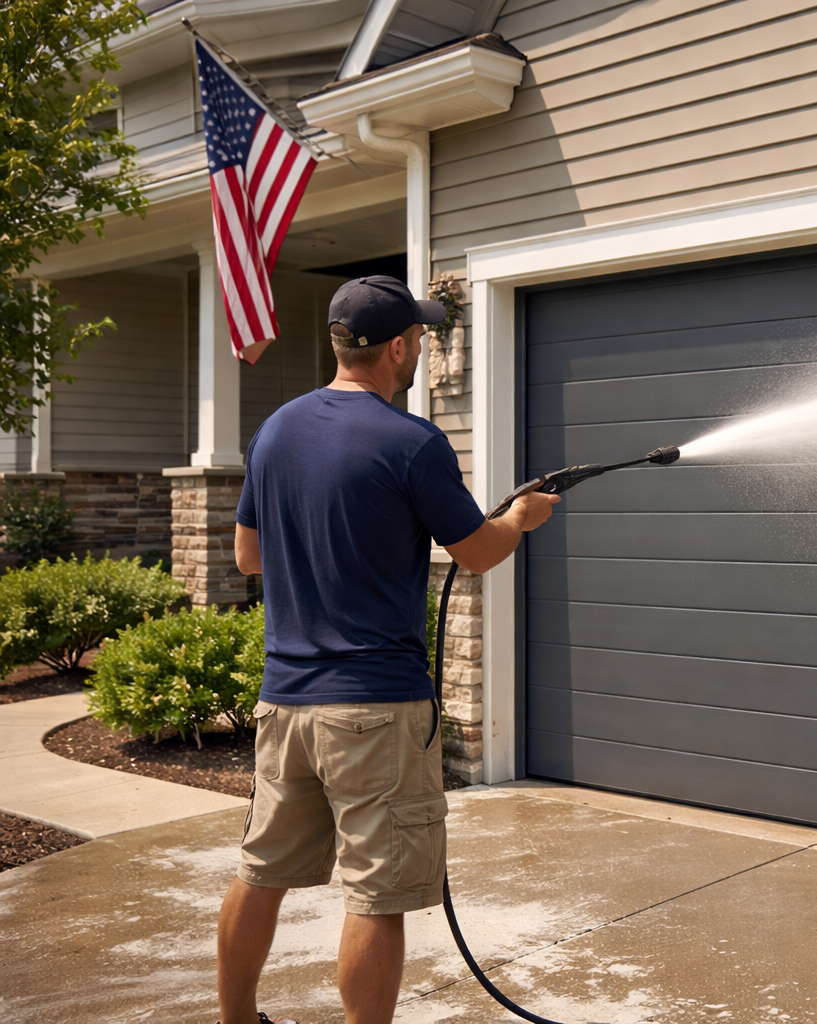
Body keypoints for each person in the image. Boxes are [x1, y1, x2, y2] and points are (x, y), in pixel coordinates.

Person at [217, 276, 560, 1024]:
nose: (421, 349)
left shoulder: (276, 429)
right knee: (377, 895)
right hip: (374, 707)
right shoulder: (412, 442)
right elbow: (477, 554)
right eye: (419, 337)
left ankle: (237, 1020)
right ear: (398, 346)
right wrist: (521, 517)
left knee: (261, 871)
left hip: (285, 704)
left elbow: (248, 556)